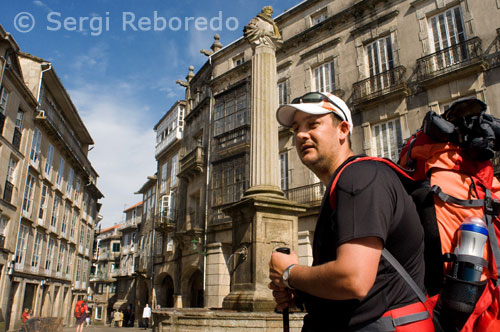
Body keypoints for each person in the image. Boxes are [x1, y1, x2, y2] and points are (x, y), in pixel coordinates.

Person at [269, 92, 434, 331]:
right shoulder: (346, 183)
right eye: (296, 129)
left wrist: (288, 273)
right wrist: (303, 295)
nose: (301, 134)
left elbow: (353, 279)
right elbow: (374, 284)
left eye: (313, 124)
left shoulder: (359, 177)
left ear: (343, 130)